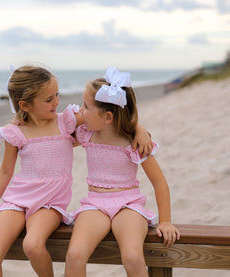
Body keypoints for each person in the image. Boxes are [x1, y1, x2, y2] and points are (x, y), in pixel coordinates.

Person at [0, 65, 153, 277]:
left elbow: (111, 117)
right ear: (24, 105)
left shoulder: (66, 121)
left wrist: (139, 129)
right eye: (48, 99)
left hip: (50, 203)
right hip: (17, 199)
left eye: (56, 95)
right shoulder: (15, 132)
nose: (56, 102)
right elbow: (5, 172)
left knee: (32, 245)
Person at [65, 67, 180, 277]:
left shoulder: (135, 142)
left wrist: (165, 221)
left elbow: (159, 182)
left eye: (86, 106)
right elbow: (58, 128)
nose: (81, 111)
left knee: (132, 257)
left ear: (108, 117)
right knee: (74, 255)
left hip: (128, 205)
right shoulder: (85, 133)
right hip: (95, 204)